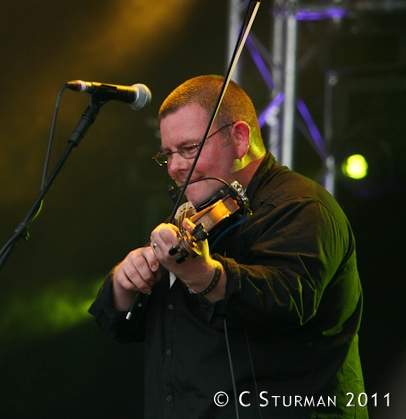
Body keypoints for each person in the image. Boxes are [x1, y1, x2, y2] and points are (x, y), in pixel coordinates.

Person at [89, 75, 366, 418]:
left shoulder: (302, 207)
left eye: (189, 149)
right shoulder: (195, 216)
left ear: (239, 138)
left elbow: (285, 301)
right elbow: (134, 327)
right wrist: (124, 283)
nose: (175, 167)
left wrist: (204, 275)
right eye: (168, 155)